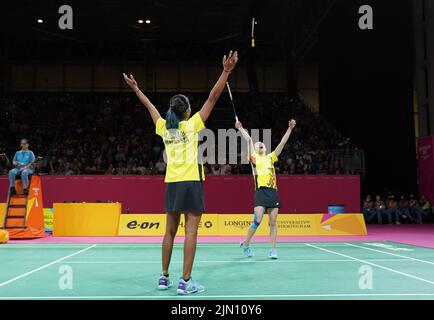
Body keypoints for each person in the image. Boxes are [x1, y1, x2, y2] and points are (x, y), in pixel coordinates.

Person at [123, 50, 238, 295]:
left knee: (169, 232)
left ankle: (164, 277)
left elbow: (150, 106)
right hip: (192, 182)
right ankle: (185, 281)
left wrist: (136, 89)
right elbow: (213, 96)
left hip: (172, 183)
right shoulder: (192, 124)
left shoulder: (164, 127)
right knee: (191, 232)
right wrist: (226, 71)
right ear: (186, 112)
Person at [236, 118, 296, 259]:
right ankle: (246, 244)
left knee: (273, 221)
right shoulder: (253, 158)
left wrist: (290, 129)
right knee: (257, 220)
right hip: (261, 191)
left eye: (262, 144)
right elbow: (249, 140)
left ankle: (273, 249)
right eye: (258, 145)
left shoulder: (271, 157)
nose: (260, 144)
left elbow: (282, 142)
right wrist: (240, 128)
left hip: (272, 191)